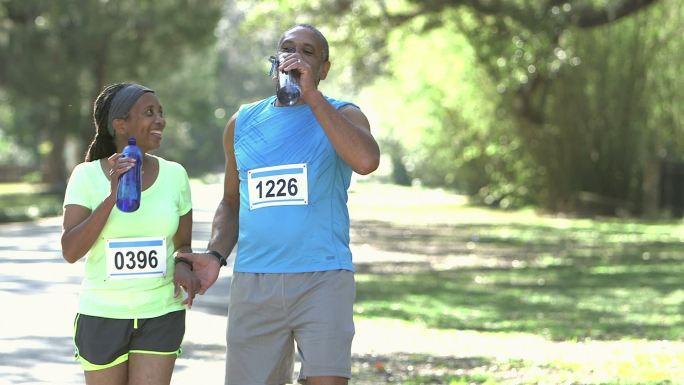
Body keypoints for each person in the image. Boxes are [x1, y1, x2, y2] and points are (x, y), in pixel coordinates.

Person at [180, 24, 380, 385]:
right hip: (255, 281)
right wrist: (215, 255)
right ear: (275, 61)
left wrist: (312, 96)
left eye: (308, 51)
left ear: (324, 68)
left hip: (323, 276)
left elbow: (366, 161)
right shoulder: (242, 122)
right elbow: (231, 201)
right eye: (288, 48)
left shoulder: (344, 114)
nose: (296, 56)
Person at [61, 82, 201, 385]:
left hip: (160, 311)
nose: (160, 120)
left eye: (161, 113)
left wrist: (184, 264)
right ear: (120, 124)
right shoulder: (85, 176)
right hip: (102, 314)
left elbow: (184, 244)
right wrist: (112, 195)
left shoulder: (175, 175)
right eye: (149, 112)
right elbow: (71, 251)